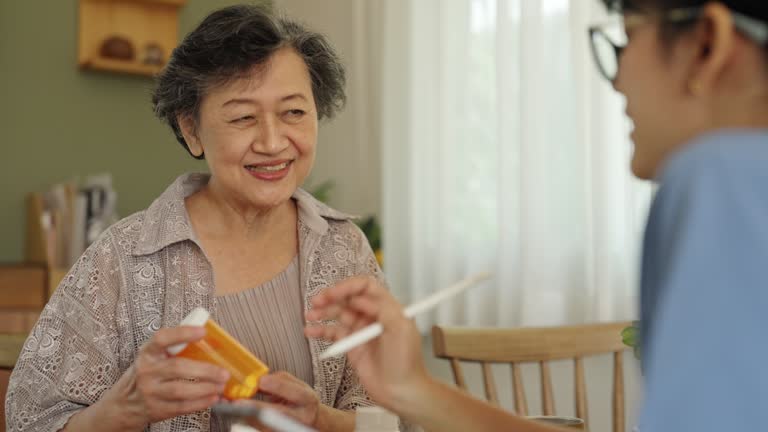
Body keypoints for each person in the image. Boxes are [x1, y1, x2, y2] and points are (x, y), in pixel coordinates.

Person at [305, 1, 768, 432]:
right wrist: (414, 389)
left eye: (627, 38)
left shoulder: (719, 176)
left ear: (709, 43)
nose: (618, 78)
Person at [5, 5, 383, 432]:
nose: (274, 141)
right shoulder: (121, 260)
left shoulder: (343, 248)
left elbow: (397, 418)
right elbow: (29, 421)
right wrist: (122, 411)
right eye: (243, 117)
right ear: (191, 130)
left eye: (294, 112)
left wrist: (323, 420)